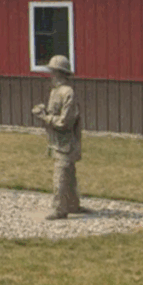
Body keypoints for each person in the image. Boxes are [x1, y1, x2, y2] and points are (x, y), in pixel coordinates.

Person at [32, 55, 84, 220]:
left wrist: (44, 117)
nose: (51, 76)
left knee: (60, 176)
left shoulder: (68, 92)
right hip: (57, 141)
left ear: (60, 73)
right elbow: (55, 114)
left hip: (67, 142)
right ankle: (72, 204)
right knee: (69, 175)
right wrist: (44, 111)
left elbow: (64, 122)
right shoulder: (55, 91)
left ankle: (60, 209)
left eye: (53, 72)